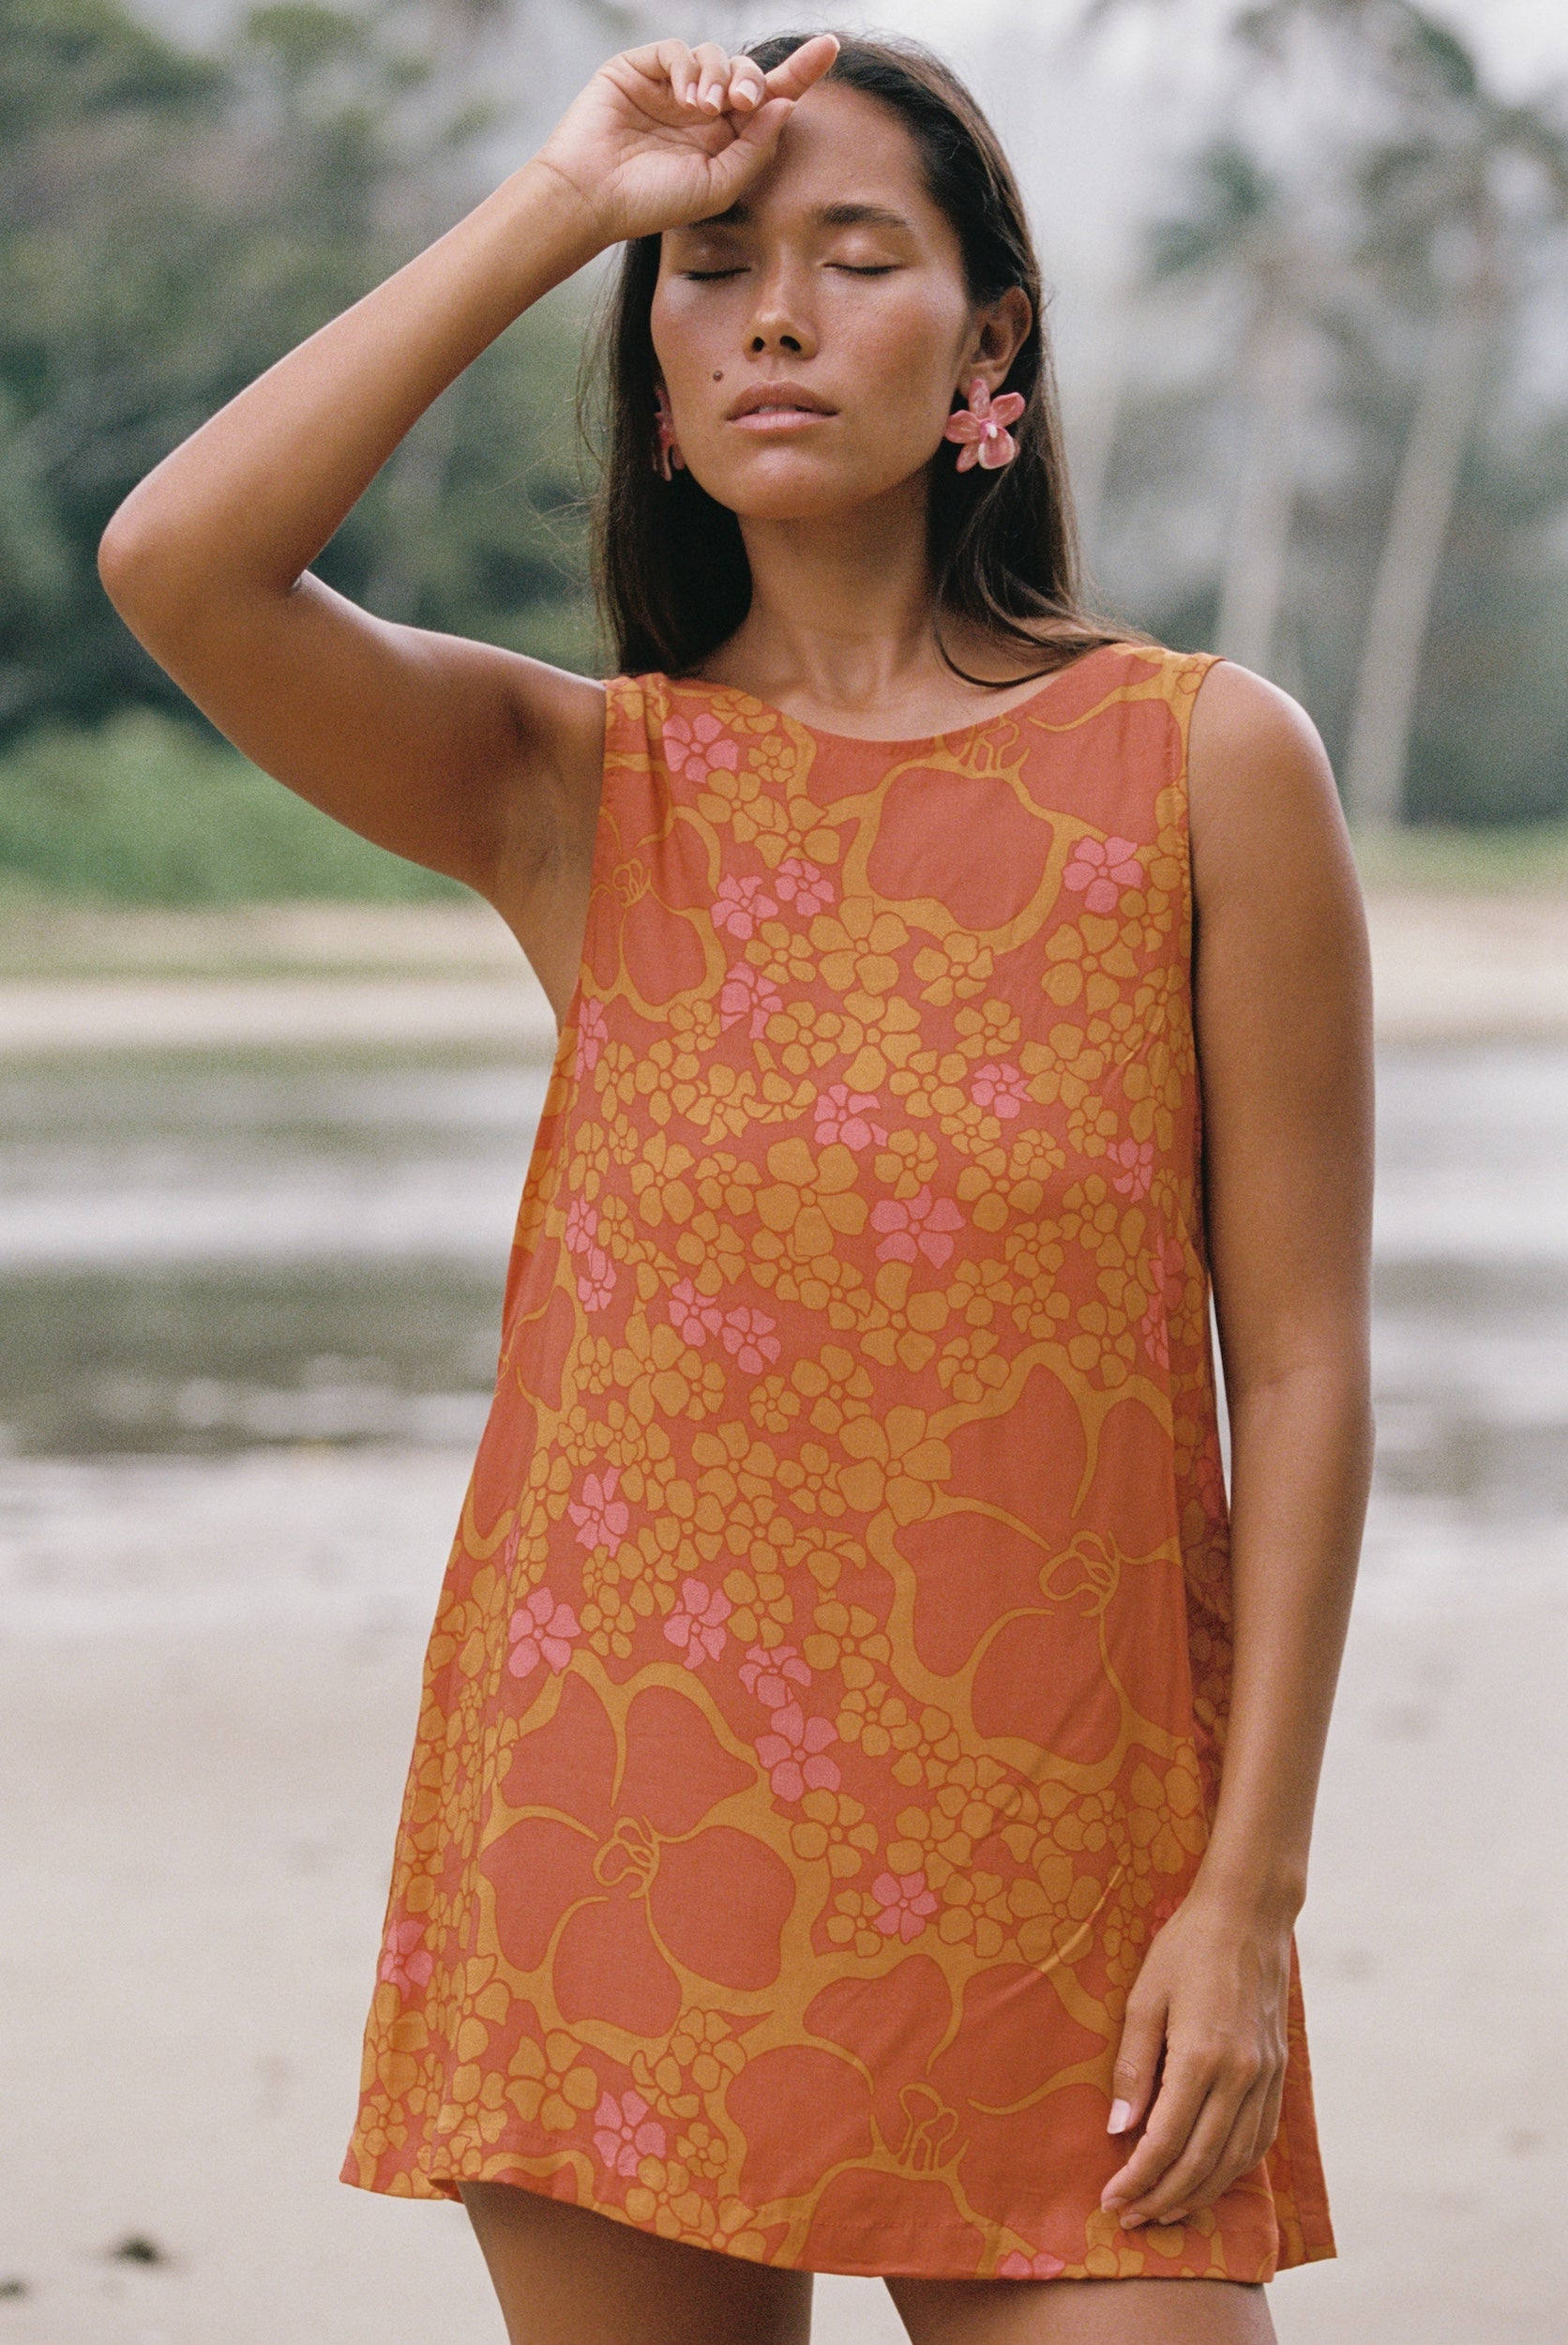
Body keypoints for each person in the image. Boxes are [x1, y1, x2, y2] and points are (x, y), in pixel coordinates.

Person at [98, 28, 1374, 2345]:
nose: (772, 314)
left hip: (1068, 1880)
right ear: (657, 349)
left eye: (852, 256)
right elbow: (177, 559)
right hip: (621, 1832)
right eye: (710, 270)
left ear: (987, 340)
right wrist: (561, 199)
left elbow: (1293, 1362)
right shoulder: (579, 784)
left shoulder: (1199, 765)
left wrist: (1243, 1896)